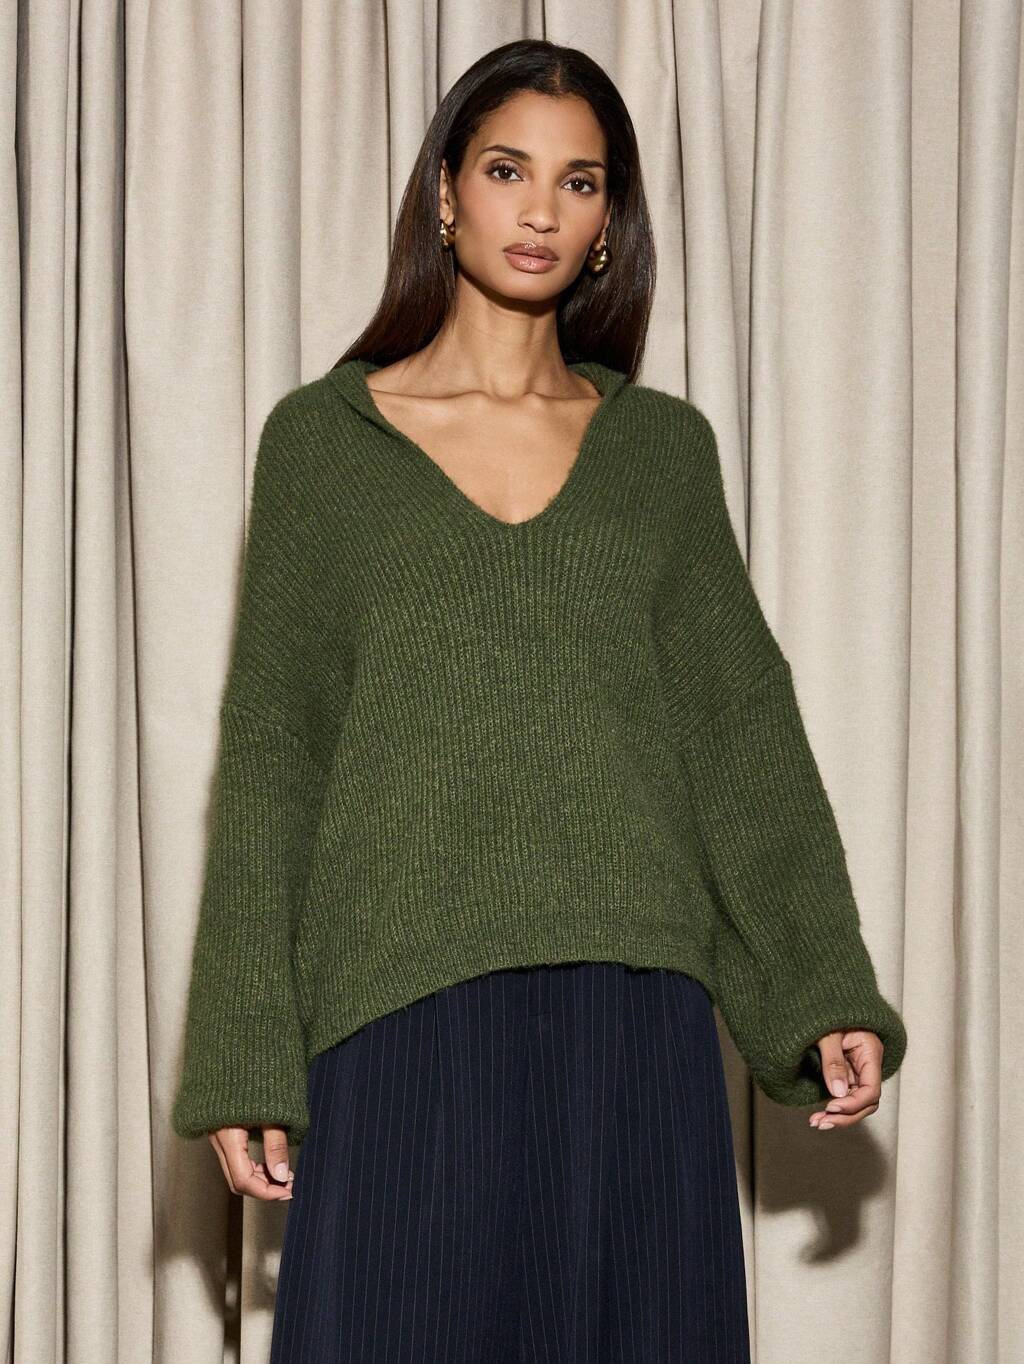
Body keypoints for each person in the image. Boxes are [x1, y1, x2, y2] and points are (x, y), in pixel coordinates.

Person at [171, 37, 908, 1362]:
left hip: (635, 1021)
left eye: (580, 182)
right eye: (508, 170)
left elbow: (739, 730)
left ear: (608, 221)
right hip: (400, 1010)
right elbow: (273, 751)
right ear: (446, 193)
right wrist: (243, 1046)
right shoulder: (322, 446)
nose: (541, 211)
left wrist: (818, 984)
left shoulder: (661, 454)